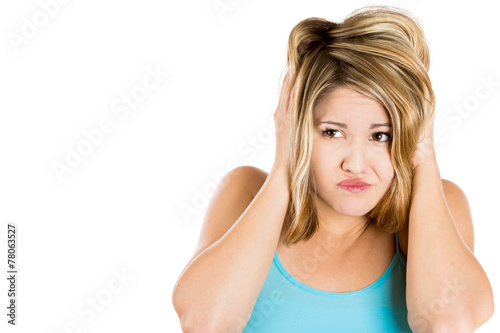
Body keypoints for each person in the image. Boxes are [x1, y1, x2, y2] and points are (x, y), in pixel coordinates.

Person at [172, 5, 494, 332]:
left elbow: (447, 323)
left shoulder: (436, 205)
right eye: (332, 132)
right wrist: (287, 161)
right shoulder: (245, 192)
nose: (355, 164)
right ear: (299, 127)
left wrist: (424, 156)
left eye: (381, 135)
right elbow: (205, 323)